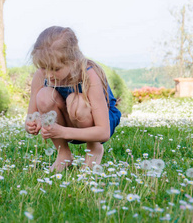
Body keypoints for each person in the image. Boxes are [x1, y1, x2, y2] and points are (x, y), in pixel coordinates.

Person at [25, 26, 121, 172]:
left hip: (97, 125)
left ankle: (93, 148)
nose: (49, 75)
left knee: (75, 101)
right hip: (66, 123)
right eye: (44, 67)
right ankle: (63, 153)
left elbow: (104, 132)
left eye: (56, 69)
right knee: (43, 95)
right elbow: (30, 117)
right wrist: (32, 124)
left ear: (73, 60)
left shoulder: (89, 75)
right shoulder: (40, 75)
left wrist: (61, 132)